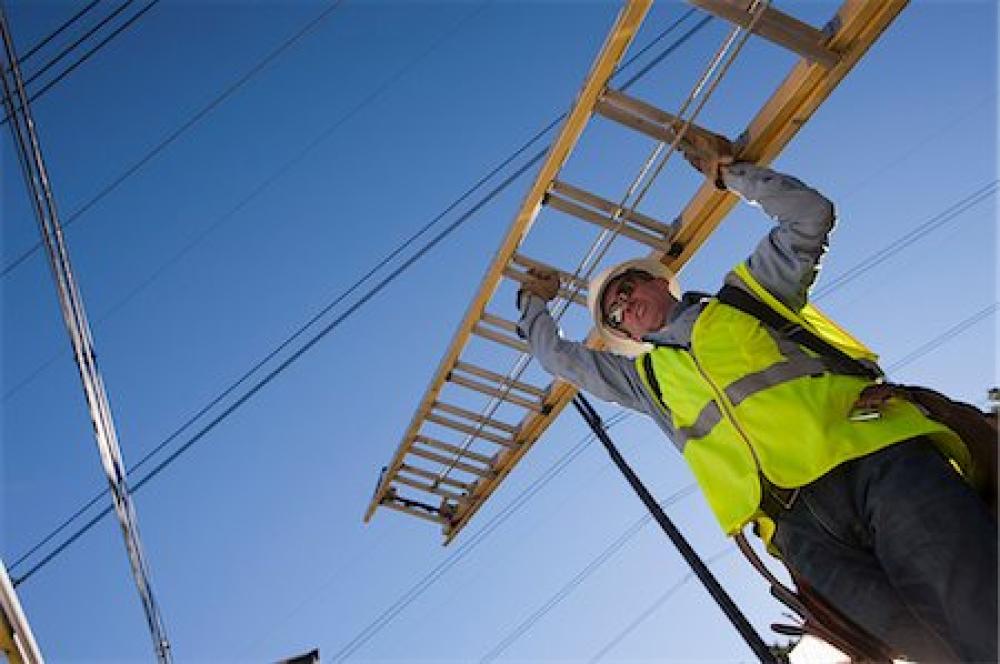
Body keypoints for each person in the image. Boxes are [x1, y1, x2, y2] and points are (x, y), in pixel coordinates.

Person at [515, 134, 997, 662]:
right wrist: (531, 304)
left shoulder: (745, 298)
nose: (624, 308)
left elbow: (810, 215)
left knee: (979, 612)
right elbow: (559, 360)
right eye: (613, 314)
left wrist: (730, 174)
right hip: (798, 531)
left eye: (627, 290)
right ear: (619, 333)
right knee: (923, 654)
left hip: (872, 462)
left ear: (658, 284)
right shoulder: (646, 380)